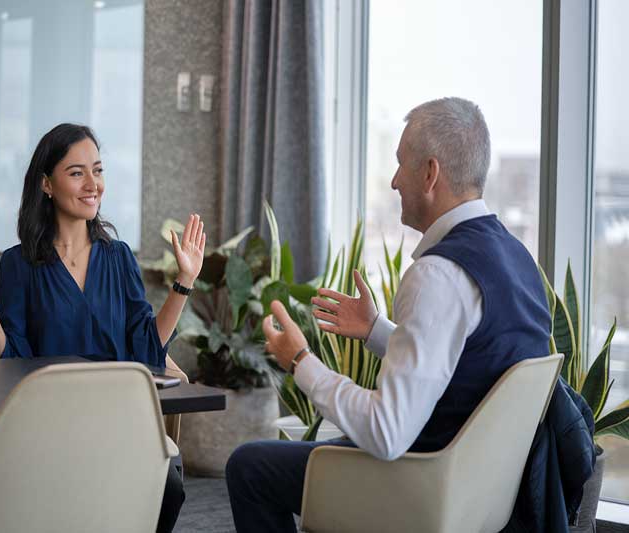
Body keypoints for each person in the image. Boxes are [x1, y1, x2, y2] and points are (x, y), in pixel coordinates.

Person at [225, 97, 552, 532]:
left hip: (420, 486)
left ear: (430, 173)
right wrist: (377, 330)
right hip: (481, 492)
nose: (395, 180)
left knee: (250, 467)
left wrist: (301, 363)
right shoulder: (517, 258)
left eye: (401, 165)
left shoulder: (437, 274)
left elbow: (386, 432)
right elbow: (462, 363)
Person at [0, 123, 204, 533]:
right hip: (48, 424)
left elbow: (147, 349)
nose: (93, 184)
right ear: (46, 184)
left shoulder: (119, 257)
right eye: (77, 173)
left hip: (115, 420)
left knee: (167, 486)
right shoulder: (20, 263)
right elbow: (7, 357)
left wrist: (185, 281)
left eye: (98, 169)